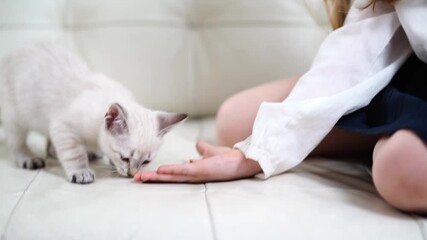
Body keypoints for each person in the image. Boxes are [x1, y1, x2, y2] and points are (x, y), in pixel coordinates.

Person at [134, 0, 427, 213]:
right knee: (234, 120)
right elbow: (362, 44)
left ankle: (397, 135)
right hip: (399, 62)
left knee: (401, 169)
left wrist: (256, 155)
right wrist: (255, 152)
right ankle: (384, 126)